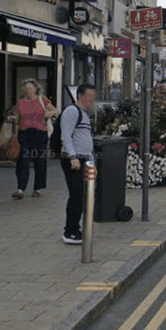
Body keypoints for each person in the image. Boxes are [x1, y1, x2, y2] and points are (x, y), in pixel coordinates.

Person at [59, 84, 97, 245]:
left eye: (93, 97)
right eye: (89, 96)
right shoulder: (71, 111)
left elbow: (86, 140)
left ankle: (75, 228)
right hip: (73, 160)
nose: (92, 100)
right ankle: (70, 231)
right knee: (76, 195)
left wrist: (92, 163)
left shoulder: (84, 114)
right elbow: (66, 136)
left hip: (83, 160)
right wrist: (73, 157)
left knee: (81, 195)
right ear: (80, 96)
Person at [12, 78, 56, 200]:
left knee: (39, 160)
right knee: (23, 160)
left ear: (36, 89)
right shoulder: (21, 102)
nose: (27, 91)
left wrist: (49, 114)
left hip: (40, 133)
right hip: (24, 133)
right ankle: (20, 188)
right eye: (25, 89)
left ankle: (38, 188)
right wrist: (14, 124)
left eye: (30, 88)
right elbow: (17, 117)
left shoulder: (43, 100)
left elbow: (55, 110)